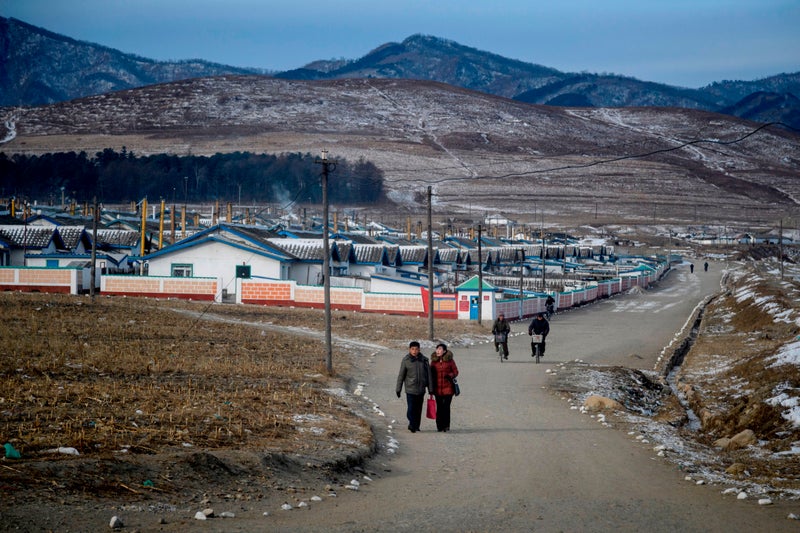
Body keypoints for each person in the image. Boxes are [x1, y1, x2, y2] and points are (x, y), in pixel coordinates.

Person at [396, 341, 431, 433]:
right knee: (411, 408)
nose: (414, 351)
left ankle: (416, 426)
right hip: (410, 389)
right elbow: (401, 376)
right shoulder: (406, 360)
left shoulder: (424, 360)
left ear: (419, 349)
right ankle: (412, 423)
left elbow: (429, 376)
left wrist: (430, 389)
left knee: (418, 409)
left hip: (421, 389)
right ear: (409, 350)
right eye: (412, 349)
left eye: (416, 349)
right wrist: (398, 389)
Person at [430, 343, 459, 432]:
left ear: (444, 351)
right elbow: (430, 373)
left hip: (448, 388)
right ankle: (439, 426)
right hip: (437, 388)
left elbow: (456, 372)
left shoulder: (450, 361)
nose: (438, 351)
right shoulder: (434, 361)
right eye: (437, 349)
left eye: (440, 349)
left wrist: (450, 375)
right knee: (439, 407)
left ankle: (446, 425)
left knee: (446, 407)